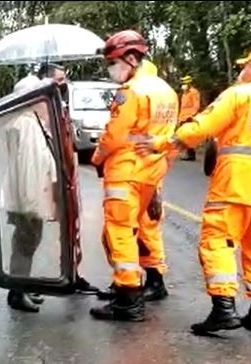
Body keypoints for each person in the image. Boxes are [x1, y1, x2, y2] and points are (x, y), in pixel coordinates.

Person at [136, 47, 251, 334]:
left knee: (217, 240)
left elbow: (201, 127)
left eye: (246, 65)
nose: (243, 70)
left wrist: (163, 143)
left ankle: (223, 308)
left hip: (235, 181)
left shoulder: (240, 94)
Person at [89, 30, 179, 322]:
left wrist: (97, 158)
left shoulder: (130, 92)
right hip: (151, 172)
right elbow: (170, 137)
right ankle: (131, 288)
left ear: (131, 57)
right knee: (136, 230)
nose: (111, 69)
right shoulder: (167, 90)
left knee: (118, 231)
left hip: (125, 170)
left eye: (113, 62)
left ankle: (128, 298)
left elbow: (115, 135)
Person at [38, 64, 101, 296]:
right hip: (52, 177)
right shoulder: (38, 111)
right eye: (59, 79)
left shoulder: (61, 106)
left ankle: (73, 274)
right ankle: (53, 276)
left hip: (68, 176)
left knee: (73, 228)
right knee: (43, 231)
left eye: (64, 79)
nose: (63, 84)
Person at [0, 75, 58, 312]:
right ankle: (17, 291)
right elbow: (28, 169)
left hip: (28, 195)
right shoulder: (26, 126)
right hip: (28, 197)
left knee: (27, 242)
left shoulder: (29, 123)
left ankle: (22, 286)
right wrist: (30, 204)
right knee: (25, 242)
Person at [177, 75, 202, 161]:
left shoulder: (194, 92)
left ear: (189, 83)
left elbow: (196, 105)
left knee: (189, 136)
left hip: (189, 118)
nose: (183, 85)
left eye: (184, 83)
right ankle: (188, 153)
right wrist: (179, 118)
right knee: (184, 137)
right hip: (183, 117)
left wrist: (191, 116)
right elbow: (183, 107)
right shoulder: (184, 94)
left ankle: (191, 154)